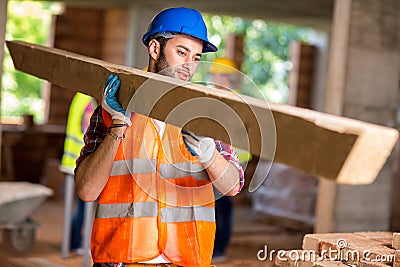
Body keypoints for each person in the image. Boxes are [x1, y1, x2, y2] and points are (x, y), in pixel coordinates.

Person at [74, 7, 245, 267]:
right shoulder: (112, 112)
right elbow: (87, 190)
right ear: (155, 49)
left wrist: (208, 152)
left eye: (196, 57)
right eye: (181, 52)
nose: (189, 66)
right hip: (120, 258)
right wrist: (118, 127)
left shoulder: (207, 117)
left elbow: (233, 186)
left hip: (187, 259)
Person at [209, 57, 252, 262]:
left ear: (225, 77)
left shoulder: (232, 103)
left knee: (222, 206)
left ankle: (219, 248)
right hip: (225, 160)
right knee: (221, 205)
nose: (212, 79)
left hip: (229, 162)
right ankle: (217, 247)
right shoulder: (225, 100)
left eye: (215, 75)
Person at [60, 92, 96, 253]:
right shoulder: (89, 100)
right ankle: (74, 242)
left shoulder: (79, 97)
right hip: (81, 159)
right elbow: (88, 128)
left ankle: (73, 241)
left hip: (71, 158)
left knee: (80, 205)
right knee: (84, 205)